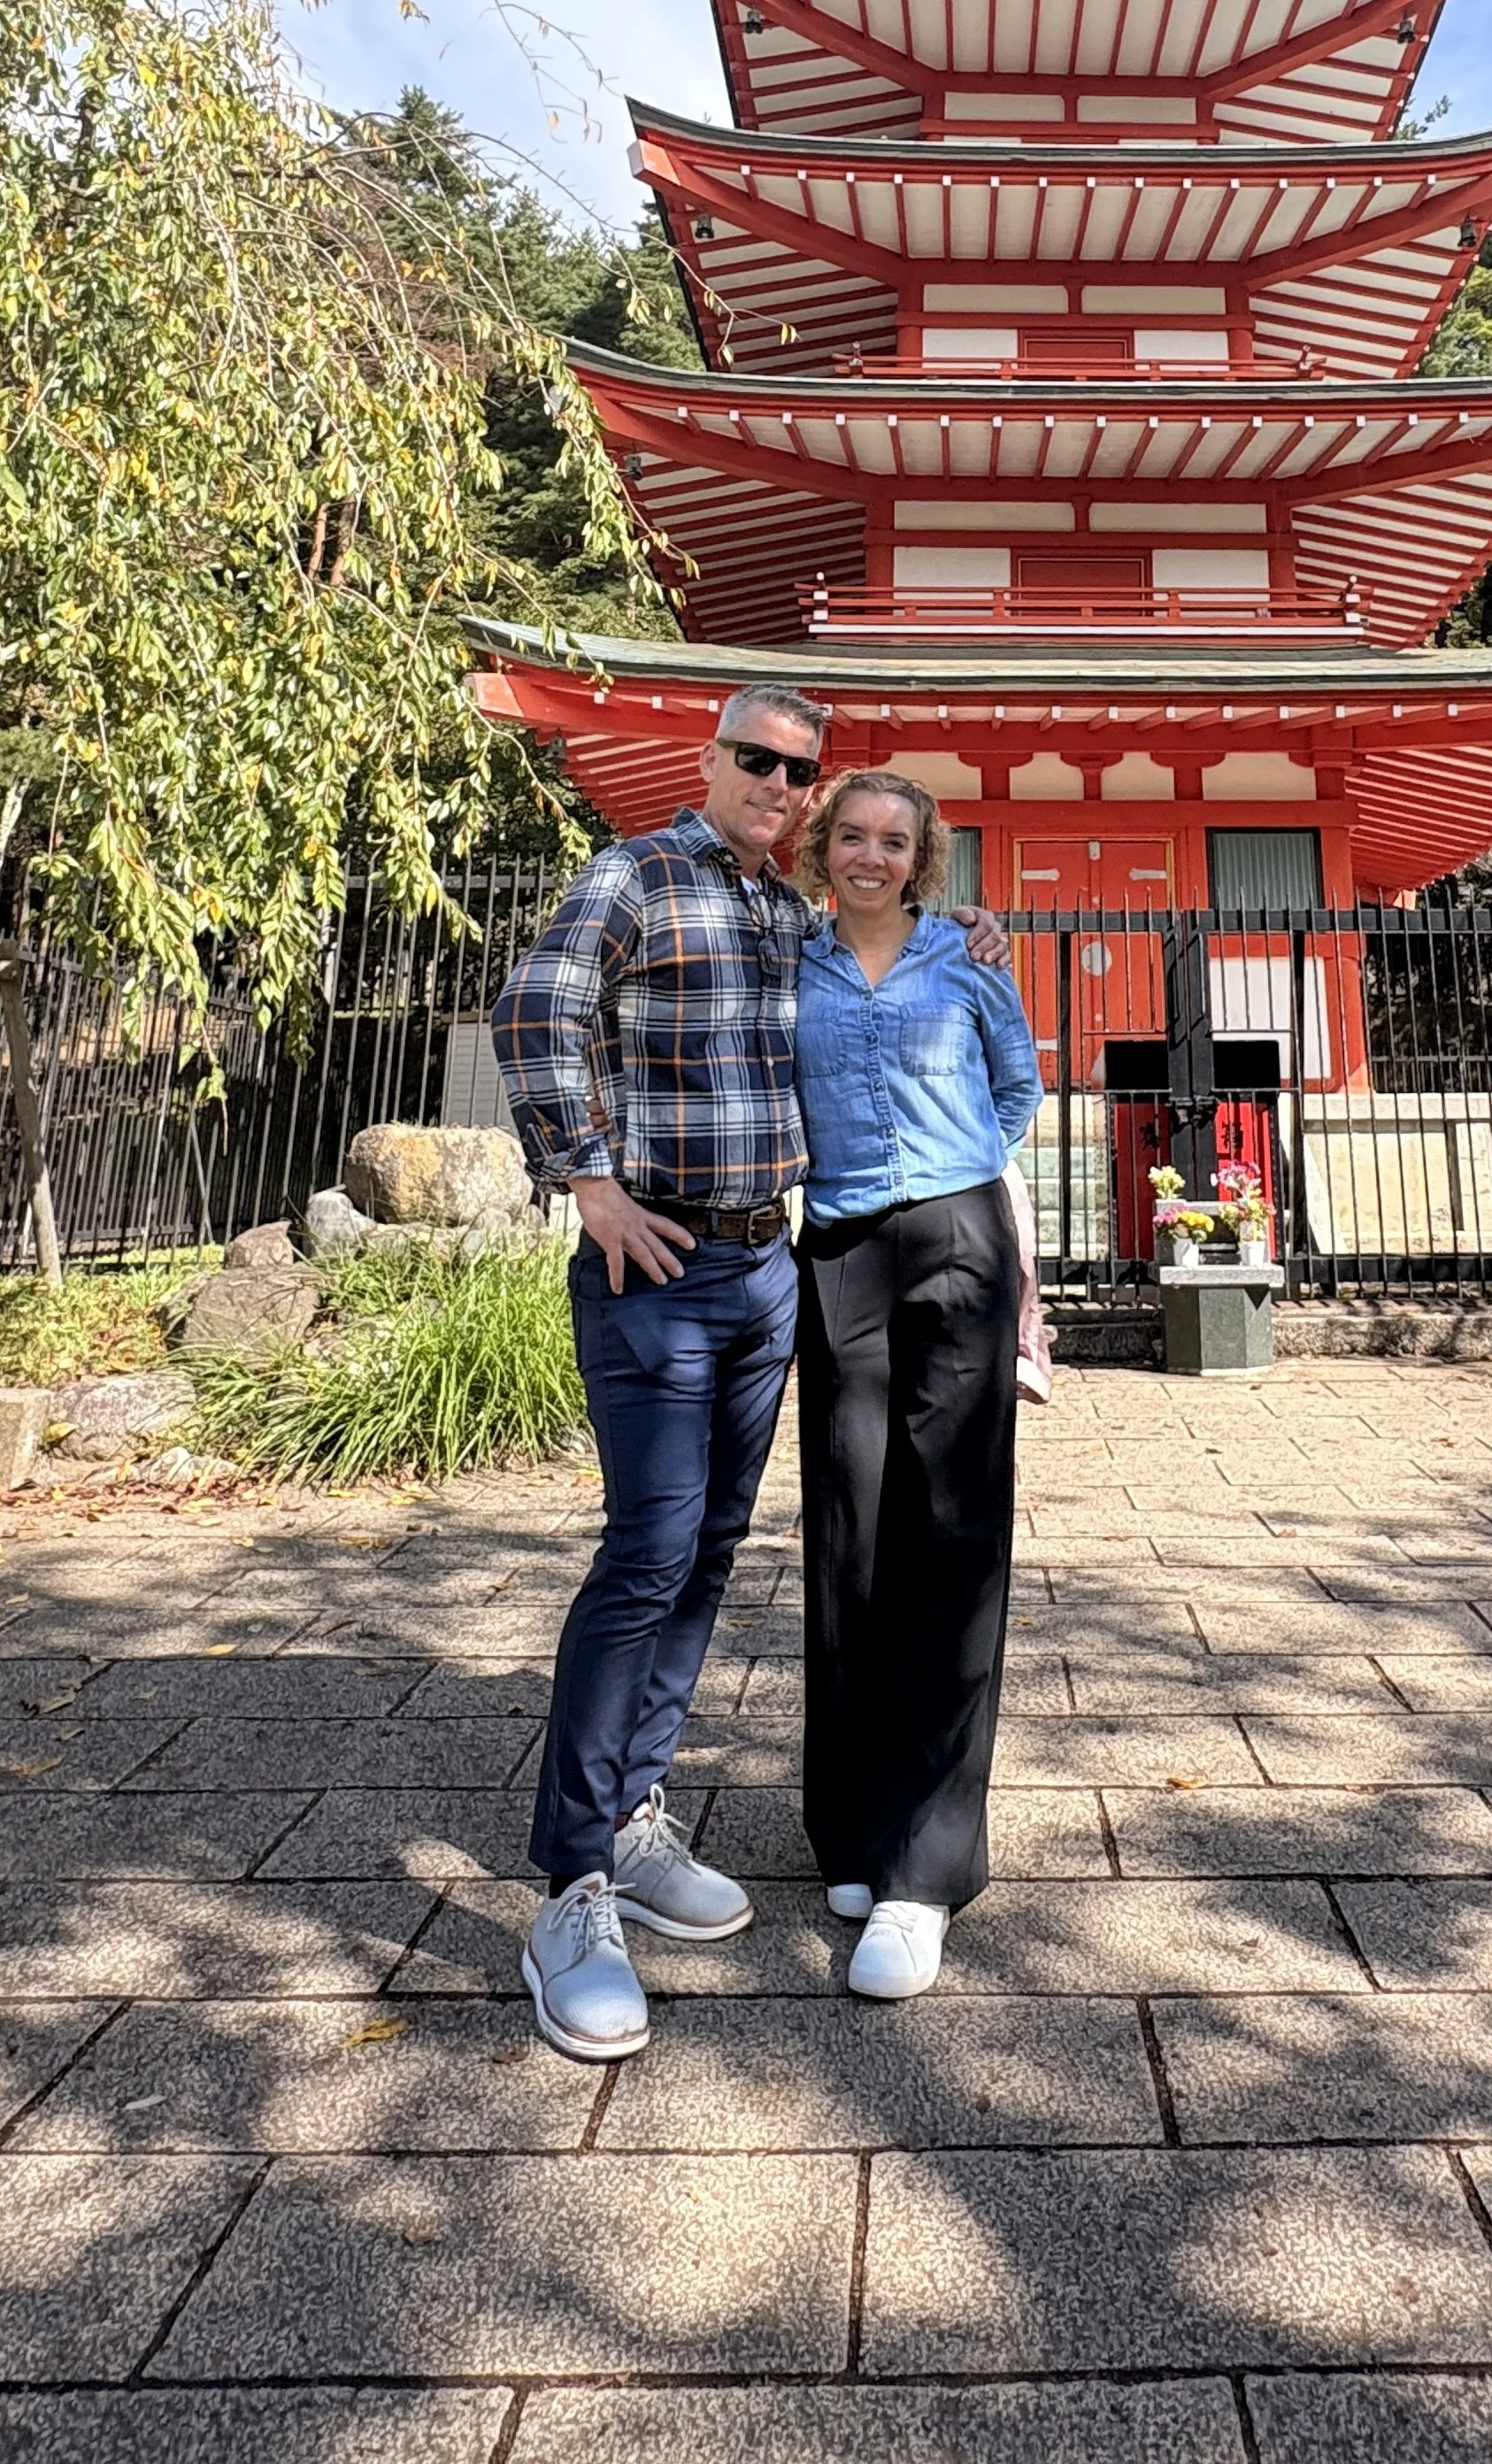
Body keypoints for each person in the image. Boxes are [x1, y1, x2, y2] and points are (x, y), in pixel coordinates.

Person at [488, 683, 1005, 2064]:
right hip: (654, 1267)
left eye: (802, 770)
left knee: (715, 1548)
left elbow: (908, 999)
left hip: (770, 1265)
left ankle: (639, 1815)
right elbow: (537, 1006)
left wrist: (966, 944)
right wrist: (586, 1183)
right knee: (647, 1551)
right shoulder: (638, 875)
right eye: (759, 761)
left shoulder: (788, 916)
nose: (782, 786)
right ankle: (572, 1886)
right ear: (708, 760)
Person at [790, 767, 1042, 2001]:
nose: (872, 856)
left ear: (923, 855)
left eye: (896, 840)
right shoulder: (794, 963)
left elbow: (1019, 1090)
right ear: (823, 847)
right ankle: (849, 1824)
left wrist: (952, 1173)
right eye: (853, 836)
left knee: (950, 1533)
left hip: (954, 1241)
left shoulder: (968, 956)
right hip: (838, 1249)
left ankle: (923, 1871)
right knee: (846, 1529)